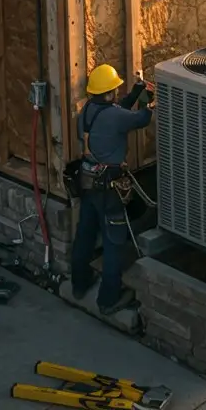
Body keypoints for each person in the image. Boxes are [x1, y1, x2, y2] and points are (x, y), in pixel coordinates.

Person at [69, 64, 153, 315]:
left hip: (88, 183)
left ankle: (79, 284)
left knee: (84, 234)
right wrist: (149, 98)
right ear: (108, 94)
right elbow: (140, 118)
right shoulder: (114, 116)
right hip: (110, 188)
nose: (117, 93)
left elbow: (119, 110)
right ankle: (108, 300)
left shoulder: (88, 111)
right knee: (114, 243)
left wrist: (137, 89)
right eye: (115, 90)